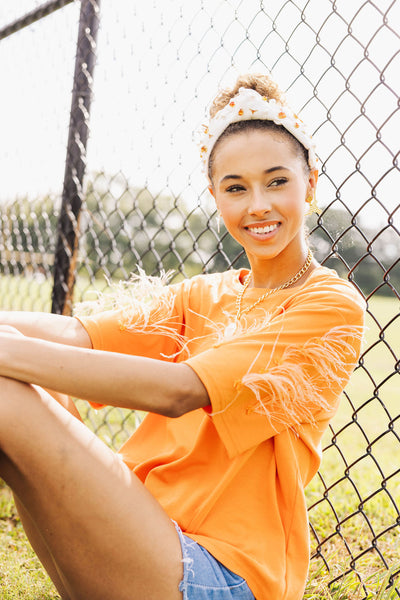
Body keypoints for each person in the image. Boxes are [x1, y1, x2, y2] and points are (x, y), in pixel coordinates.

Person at [0, 73, 365, 600]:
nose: (257, 204)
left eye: (277, 181)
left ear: (309, 183)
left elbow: (179, 390)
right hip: (146, 532)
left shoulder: (328, 306)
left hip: (224, 572)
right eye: (236, 188)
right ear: (216, 197)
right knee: (20, 379)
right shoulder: (205, 294)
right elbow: (75, 334)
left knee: (8, 395)